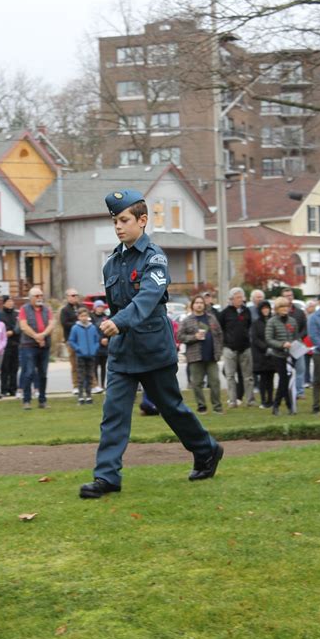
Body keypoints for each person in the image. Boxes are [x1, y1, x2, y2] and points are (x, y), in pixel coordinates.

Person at [79, 189, 223, 499]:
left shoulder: (155, 258)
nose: (118, 226)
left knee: (171, 408)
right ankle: (107, 477)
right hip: (122, 352)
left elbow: (147, 298)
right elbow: (116, 306)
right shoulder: (111, 264)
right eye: (114, 221)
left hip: (153, 350)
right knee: (113, 414)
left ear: (142, 221)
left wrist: (118, 322)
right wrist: (114, 323)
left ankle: (207, 450)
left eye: (124, 220)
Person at [178, 294, 224, 414]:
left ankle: (217, 407)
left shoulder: (211, 318)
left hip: (211, 356)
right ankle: (201, 406)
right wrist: (194, 337)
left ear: (204, 305)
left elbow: (219, 334)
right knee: (197, 383)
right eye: (197, 303)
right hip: (195, 357)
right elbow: (180, 336)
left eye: (201, 303)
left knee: (215, 382)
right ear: (192, 305)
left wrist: (218, 351)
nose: (199, 305)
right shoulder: (187, 320)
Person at [18, 286, 55, 410]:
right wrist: (36, 336)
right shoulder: (24, 309)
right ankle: (26, 400)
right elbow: (23, 326)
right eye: (37, 296)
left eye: (41, 295)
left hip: (44, 345)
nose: (40, 298)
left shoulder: (47, 309)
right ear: (31, 298)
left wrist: (43, 335)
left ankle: (42, 400)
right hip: (28, 346)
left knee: (43, 374)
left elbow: (51, 324)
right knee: (28, 373)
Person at [218, 287, 255, 408]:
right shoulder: (225, 313)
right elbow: (221, 328)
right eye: (237, 297)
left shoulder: (246, 311)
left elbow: (249, 326)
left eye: (241, 297)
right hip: (229, 348)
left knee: (248, 376)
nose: (240, 300)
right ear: (231, 299)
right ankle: (232, 401)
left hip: (245, 347)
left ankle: (250, 400)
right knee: (230, 376)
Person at [265, 296, 298, 416]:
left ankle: (285, 405)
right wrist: (282, 344)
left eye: (287, 306)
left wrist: (296, 345)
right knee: (284, 379)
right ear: (277, 309)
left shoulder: (292, 321)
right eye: (282, 307)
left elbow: (296, 336)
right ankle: (280, 405)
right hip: (277, 355)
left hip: (290, 355)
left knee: (287, 381)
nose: (285, 309)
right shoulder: (272, 322)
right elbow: (269, 339)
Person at [68, 307, 100, 404]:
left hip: (91, 355)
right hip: (81, 355)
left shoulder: (93, 327)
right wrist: (78, 349)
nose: (84, 318)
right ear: (78, 317)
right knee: (81, 376)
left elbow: (96, 340)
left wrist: (94, 349)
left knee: (90, 375)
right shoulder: (75, 328)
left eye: (85, 316)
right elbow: (71, 341)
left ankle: (89, 395)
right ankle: (81, 396)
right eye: (82, 316)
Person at [281, 288, 307, 399]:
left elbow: (305, 328)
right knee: (286, 371)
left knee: (300, 369)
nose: (289, 297)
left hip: (297, 345)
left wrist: (298, 339)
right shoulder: (279, 313)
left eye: (290, 295)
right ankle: (287, 392)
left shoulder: (299, 312)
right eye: (286, 295)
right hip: (284, 345)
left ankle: (300, 392)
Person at [250, 300, 275, 409]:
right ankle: (263, 400)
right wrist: (265, 347)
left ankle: (270, 399)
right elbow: (255, 338)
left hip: (273, 354)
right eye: (263, 308)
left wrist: (273, 346)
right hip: (261, 354)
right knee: (263, 379)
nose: (266, 310)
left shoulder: (273, 321)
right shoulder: (256, 323)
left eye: (267, 308)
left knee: (271, 378)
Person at [0, 296, 19, 397]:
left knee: (14, 368)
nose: (11, 303)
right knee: (5, 368)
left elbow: (19, 326)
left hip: (15, 343)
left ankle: (13, 388)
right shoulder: (0, 314)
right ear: (4, 303)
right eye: (8, 301)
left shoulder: (16, 314)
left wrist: (13, 331)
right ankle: (4, 389)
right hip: (5, 344)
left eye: (12, 301)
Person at [90, 299, 109, 390]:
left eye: (102, 306)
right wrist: (100, 339)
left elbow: (110, 329)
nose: (100, 308)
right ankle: (96, 385)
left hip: (105, 346)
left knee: (103, 366)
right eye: (98, 306)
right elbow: (92, 331)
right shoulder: (92, 317)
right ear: (95, 307)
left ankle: (102, 384)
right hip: (96, 345)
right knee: (95, 366)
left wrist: (107, 339)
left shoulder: (106, 317)